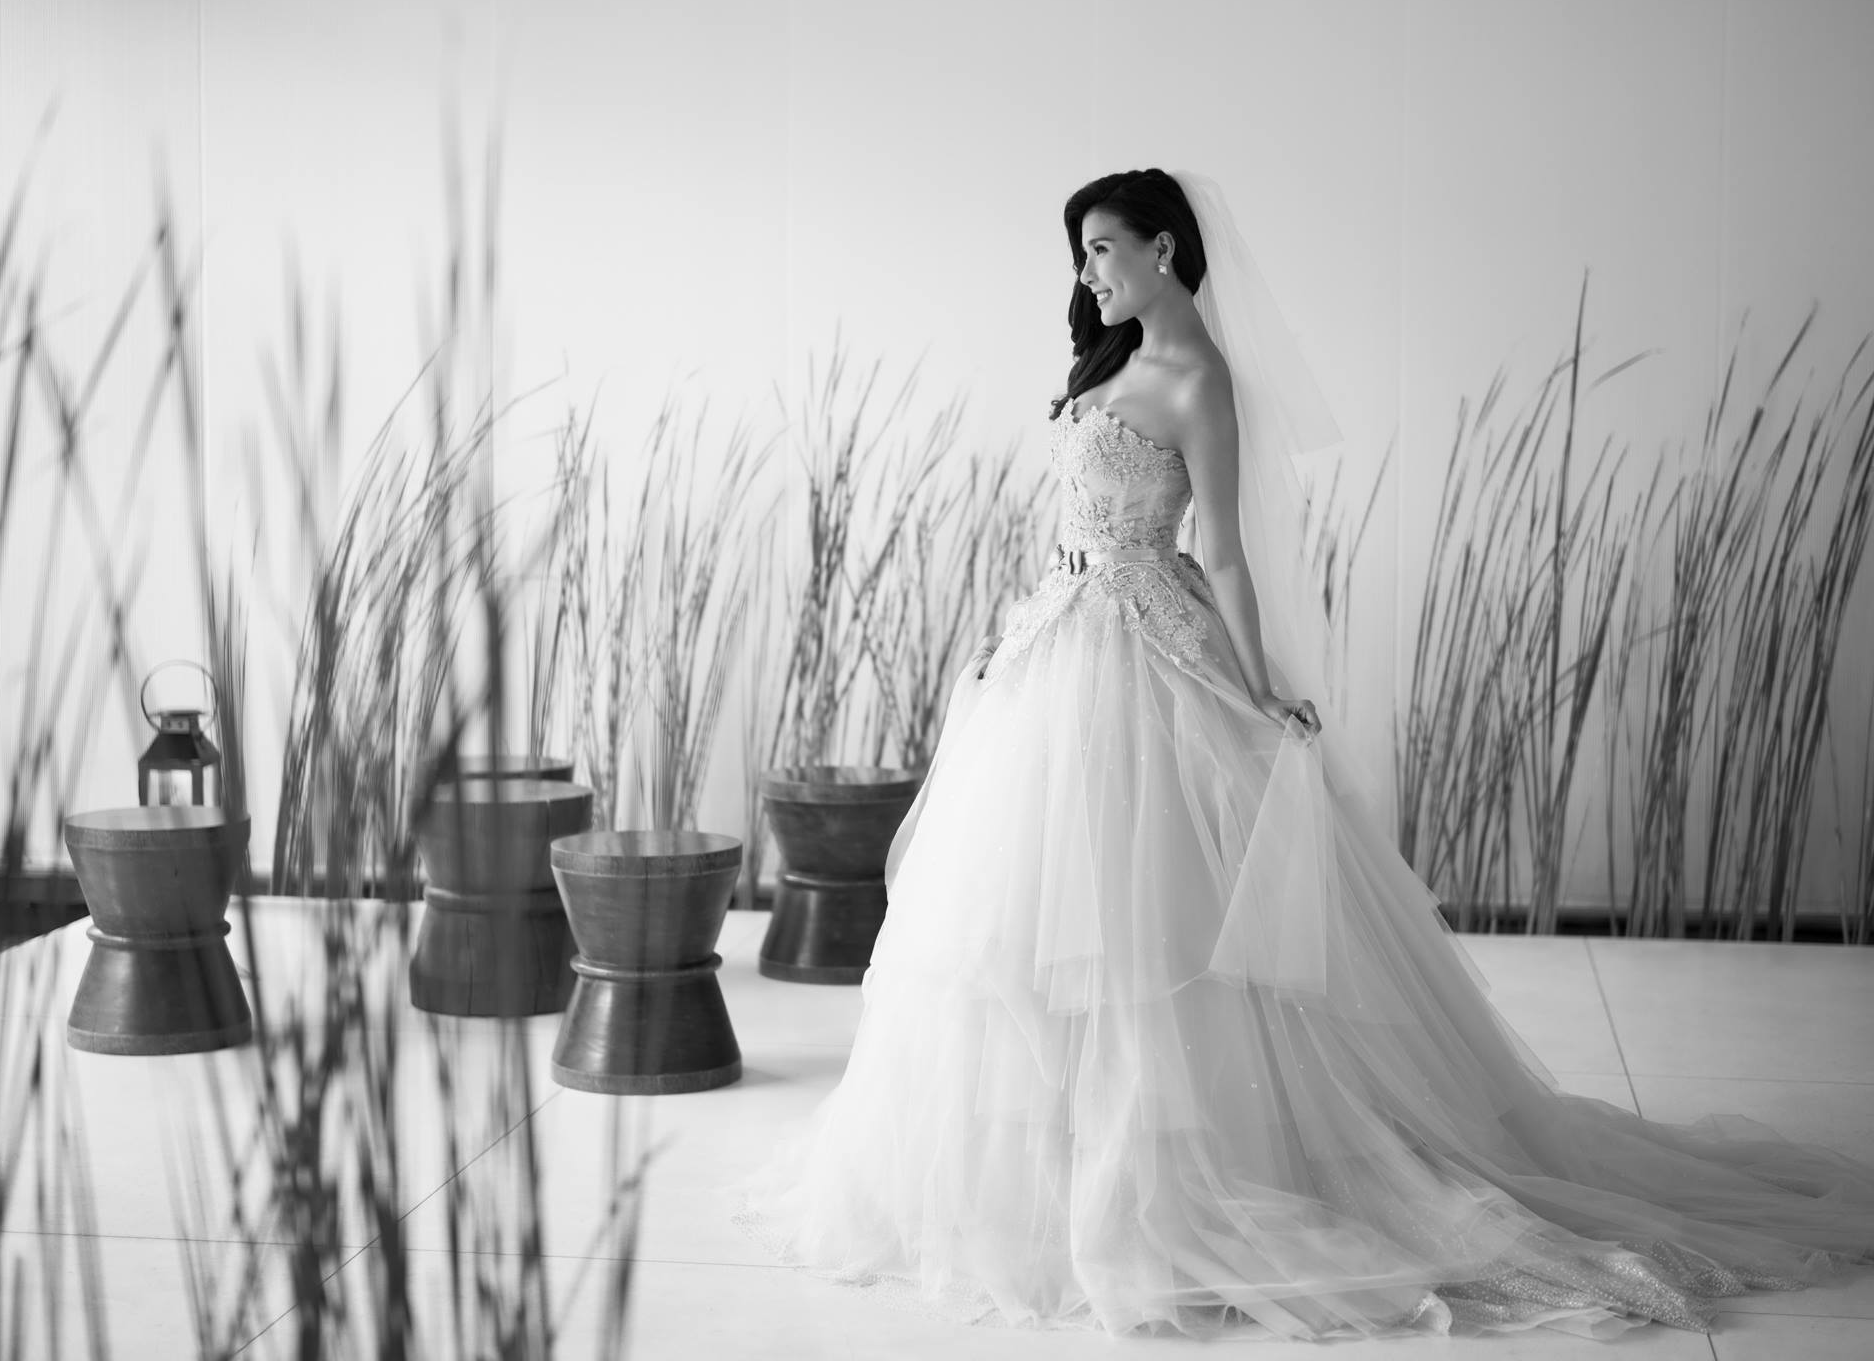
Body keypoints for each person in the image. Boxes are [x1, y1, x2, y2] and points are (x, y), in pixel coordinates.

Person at [734, 168, 1874, 1341]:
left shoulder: (1199, 382)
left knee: (1148, 921)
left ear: (1164, 248)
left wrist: (1259, 689)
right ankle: (1051, 1173)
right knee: (1025, 928)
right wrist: (1015, 633)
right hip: (1056, 644)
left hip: (1141, 644)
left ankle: (1176, 1165)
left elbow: (1223, 552)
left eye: (1102, 249)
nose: (1086, 274)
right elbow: (1078, 530)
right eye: (1080, 255)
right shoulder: (1110, 361)